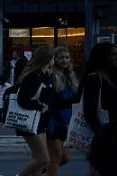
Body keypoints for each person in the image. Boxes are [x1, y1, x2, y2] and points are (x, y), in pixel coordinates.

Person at [13, 45, 54, 176]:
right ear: (48, 59)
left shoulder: (46, 75)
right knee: (43, 158)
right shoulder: (33, 76)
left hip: (40, 121)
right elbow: (22, 100)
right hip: (29, 120)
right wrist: (40, 106)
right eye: (53, 57)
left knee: (40, 159)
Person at [83, 41, 117, 175]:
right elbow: (89, 111)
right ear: (103, 57)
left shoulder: (112, 77)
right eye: (113, 55)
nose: (116, 57)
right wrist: (101, 133)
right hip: (107, 134)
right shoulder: (95, 78)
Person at [45, 46, 78, 176]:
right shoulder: (52, 75)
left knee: (64, 158)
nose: (65, 60)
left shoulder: (70, 75)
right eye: (61, 57)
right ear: (55, 59)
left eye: (67, 57)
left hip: (65, 121)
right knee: (56, 157)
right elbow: (53, 101)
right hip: (53, 120)